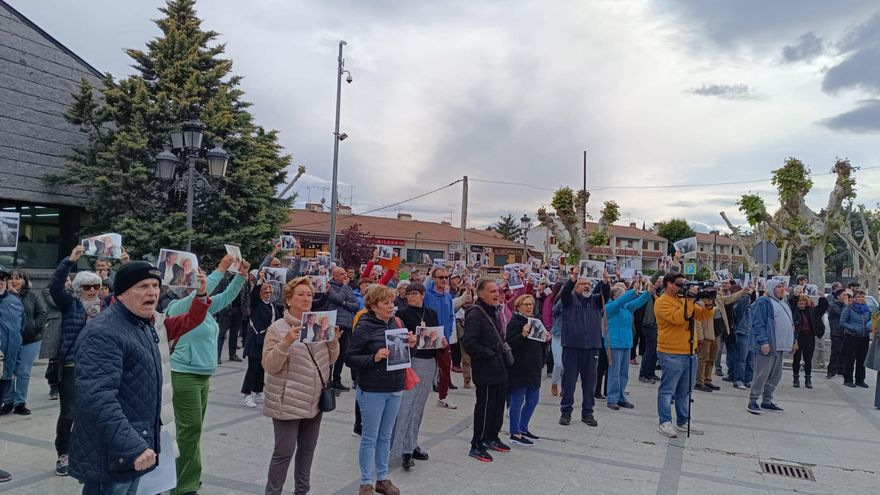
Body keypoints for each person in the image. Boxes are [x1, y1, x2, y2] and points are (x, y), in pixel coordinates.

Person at [68, 261, 164, 494]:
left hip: (133, 447)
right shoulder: (104, 332)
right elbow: (97, 398)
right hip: (113, 452)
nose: (152, 292)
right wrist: (133, 446)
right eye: (143, 286)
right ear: (121, 293)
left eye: (155, 285)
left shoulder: (140, 324)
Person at [165, 255, 248, 495]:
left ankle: (186, 479)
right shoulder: (176, 307)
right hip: (184, 374)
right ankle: (184, 486)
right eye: (195, 278)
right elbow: (198, 296)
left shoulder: (206, 310)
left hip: (202, 375)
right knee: (189, 431)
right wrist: (220, 269)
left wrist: (241, 275)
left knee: (192, 431)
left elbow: (227, 296)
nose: (199, 280)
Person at [262, 276, 340, 495]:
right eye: (301, 295)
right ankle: (273, 492)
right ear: (288, 300)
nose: (306, 299)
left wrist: (333, 341)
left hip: (314, 400)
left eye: (309, 295)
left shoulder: (319, 323)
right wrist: (286, 342)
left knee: (307, 449)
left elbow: (330, 360)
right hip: (287, 401)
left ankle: (302, 491)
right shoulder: (277, 329)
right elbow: (270, 365)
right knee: (283, 452)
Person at [346, 284, 414, 495]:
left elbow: (401, 354)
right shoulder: (364, 326)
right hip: (372, 389)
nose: (391, 306)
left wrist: (410, 344)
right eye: (386, 303)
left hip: (395, 386)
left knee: (385, 436)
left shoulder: (396, 322)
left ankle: (382, 479)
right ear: (374, 305)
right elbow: (349, 358)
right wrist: (373, 358)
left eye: (392, 302)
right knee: (370, 437)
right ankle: (366, 482)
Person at [49, 245, 105, 476]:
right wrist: (69, 261)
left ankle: (86, 451)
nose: (92, 291)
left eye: (96, 286)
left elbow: (127, 289)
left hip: (99, 366)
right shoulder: (69, 304)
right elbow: (55, 286)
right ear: (78, 288)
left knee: (94, 411)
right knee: (69, 412)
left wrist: (126, 263)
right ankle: (64, 453)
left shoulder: (106, 306)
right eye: (87, 287)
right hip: (72, 364)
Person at [654, 273, 714, 438]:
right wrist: (690, 299)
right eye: (679, 284)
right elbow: (680, 318)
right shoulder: (662, 302)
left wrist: (708, 303)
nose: (683, 286)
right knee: (668, 390)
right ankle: (664, 421)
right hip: (671, 352)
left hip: (689, 351)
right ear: (669, 284)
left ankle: (683, 420)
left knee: (685, 390)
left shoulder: (683, 300)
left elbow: (703, 315)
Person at [392, 282, 441, 469]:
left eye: (414, 293)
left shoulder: (431, 313)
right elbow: (398, 339)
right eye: (408, 294)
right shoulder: (402, 314)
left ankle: (412, 443)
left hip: (429, 361)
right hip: (413, 361)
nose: (411, 297)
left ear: (422, 295)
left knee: (419, 406)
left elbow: (435, 335)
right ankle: (402, 448)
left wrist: (441, 340)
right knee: (406, 405)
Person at [461, 279, 510, 462]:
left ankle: (492, 437)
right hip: (486, 369)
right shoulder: (475, 313)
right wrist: (489, 354)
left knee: (498, 406)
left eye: (497, 291)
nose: (497, 294)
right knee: (485, 407)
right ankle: (477, 444)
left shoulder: (494, 311)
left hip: (500, 367)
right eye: (492, 291)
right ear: (481, 294)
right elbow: (469, 343)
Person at [557, 266, 610, 428]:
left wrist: (605, 282)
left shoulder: (595, 301)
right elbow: (565, 292)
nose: (587, 286)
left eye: (589, 284)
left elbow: (605, 295)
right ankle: (566, 412)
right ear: (576, 287)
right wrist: (573, 277)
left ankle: (588, 413)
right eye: (583, 284)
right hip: (571, 347)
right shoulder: (569, 300)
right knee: (569, 382)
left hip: (591, 348)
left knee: (589, 383)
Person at [0, 270, 45, 415]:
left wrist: (35, 327)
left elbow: (41, 313)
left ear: (24, 281)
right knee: (8, 371)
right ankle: (8, 401)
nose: (14, 281)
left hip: (29, 340)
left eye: (18, 278)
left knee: (23, 372)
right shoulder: (4, 297)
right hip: (9, 342)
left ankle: (20, 402)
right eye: (11, 278)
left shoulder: (32, 296)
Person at [747, 278, 794, 415]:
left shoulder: (784, 302)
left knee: (775, 375)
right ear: (771, 288)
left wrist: (793, 341)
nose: (782, 289)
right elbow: (758, 323)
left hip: (780, 346)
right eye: (778, 287)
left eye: (782, 286)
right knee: (761, 374)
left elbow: (790, 322)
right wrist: (763, 342)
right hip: (768, 345)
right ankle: (753, 401)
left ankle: (767, 400)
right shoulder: (764, 302)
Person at [506, 294, 547, 446]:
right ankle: (514, 433)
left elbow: (538, 344)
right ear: (518, 307)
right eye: (526, 304)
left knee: (533, 399)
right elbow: (510, 343)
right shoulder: (515, 322)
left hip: (534, 367)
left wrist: (545, 339)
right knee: (517, 399)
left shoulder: (536, 321)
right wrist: (522, 335)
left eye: (531, 304)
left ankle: (523, 428)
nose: (529, 307)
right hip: (520, 368)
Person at [604, 283, 651, 410]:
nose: (625, 297)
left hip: (626, 343)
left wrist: (648, 292)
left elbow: (638, 302)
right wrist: (631, 291)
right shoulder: (610, 307)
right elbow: (619, 302)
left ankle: (621, 397)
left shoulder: (626, 307)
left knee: (624, 373)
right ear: (614, 297)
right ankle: (612, 399)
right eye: (622, 295)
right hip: (614, 344)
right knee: (614, 373)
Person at [241, 283, 281, 408]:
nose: (268, 295)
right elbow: (253, 293)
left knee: (261, 367)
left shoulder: (272, 306)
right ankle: (247, 395)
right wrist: (260, 279)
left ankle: (258, 391)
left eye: (270, 293)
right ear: (260, 294)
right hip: (255, 340)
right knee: (252, 368)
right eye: (265, 292)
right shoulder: (256, 304)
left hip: (266, 341)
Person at [424, 267, 458, 409]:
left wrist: (447, 333)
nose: (444, 280)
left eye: (446, 277)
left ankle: (442, 397)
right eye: (441, 277)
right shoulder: (426, 294)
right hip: (428, 336)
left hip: (444, 338)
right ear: (434, 279)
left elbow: (451, 316)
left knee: (445, 368)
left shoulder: (448, 297)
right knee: (425, 369)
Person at [327, 266, 360, 392]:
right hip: (335, 324)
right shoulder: (330, 287)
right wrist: (344, 290)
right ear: (335, 276)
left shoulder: (348, 288)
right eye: (342, 274)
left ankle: (337, 380)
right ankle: (328, 381)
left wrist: (344, 303)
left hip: (347, 326)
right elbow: (337, 298)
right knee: (331, 354)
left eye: (345, 273)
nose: (345, 276)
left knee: (341, 354)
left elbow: (356, 305)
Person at [790, 294, 829, 389]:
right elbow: (791, 303)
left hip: (809, 336)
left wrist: (822, 298)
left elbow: (823, 307)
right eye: (800, 301)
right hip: (798, 337)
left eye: (803, 301)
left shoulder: (812, 311)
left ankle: (808, 379)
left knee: (808, 359)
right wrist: (796, 296)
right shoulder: (794, 311)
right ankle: (796, 378)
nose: (801, 302)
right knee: (796, 359)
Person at [40, 276, 67, 400]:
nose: (66, 282)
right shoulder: (48, 291)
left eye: (68, 280)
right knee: (54, 359)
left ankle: (64, 385)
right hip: (54, 327)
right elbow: (58, 303)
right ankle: (53, 386)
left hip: (69, 328)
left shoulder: (74, 292)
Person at [840, 290, 873, 388]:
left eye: (862, 297)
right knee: (850, 359)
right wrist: (853, 328)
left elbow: (871, 321)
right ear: (854, 298)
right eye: (858, 297)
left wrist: (870, 326)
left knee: (862, 359)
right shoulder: (848, 308)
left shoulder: (867, 309)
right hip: (851, 337)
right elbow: (842, 322)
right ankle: (848, 379)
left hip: (864, 337)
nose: (861, 298)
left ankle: (860, 380)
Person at [638, 276, 663, 384]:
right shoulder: (647, 293)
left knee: (654, 351)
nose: (658, 284)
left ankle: (650, 372)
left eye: (659, 282)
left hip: (656, 325)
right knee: (649, 351)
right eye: (656, 282)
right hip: (649, 325)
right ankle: (643, 374)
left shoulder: (657, 293)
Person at [826, 289, 850, 379]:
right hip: (837, 333)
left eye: (847, 295)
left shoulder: (847, 306)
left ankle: (841, 370)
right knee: (835, 353)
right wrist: (846, 305)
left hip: (846, 333)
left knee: (845, 353)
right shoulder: (834, 306)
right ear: (838, 296)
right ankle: (831, 371)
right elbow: (843, 315)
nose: (846, 297)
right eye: (844, 295)